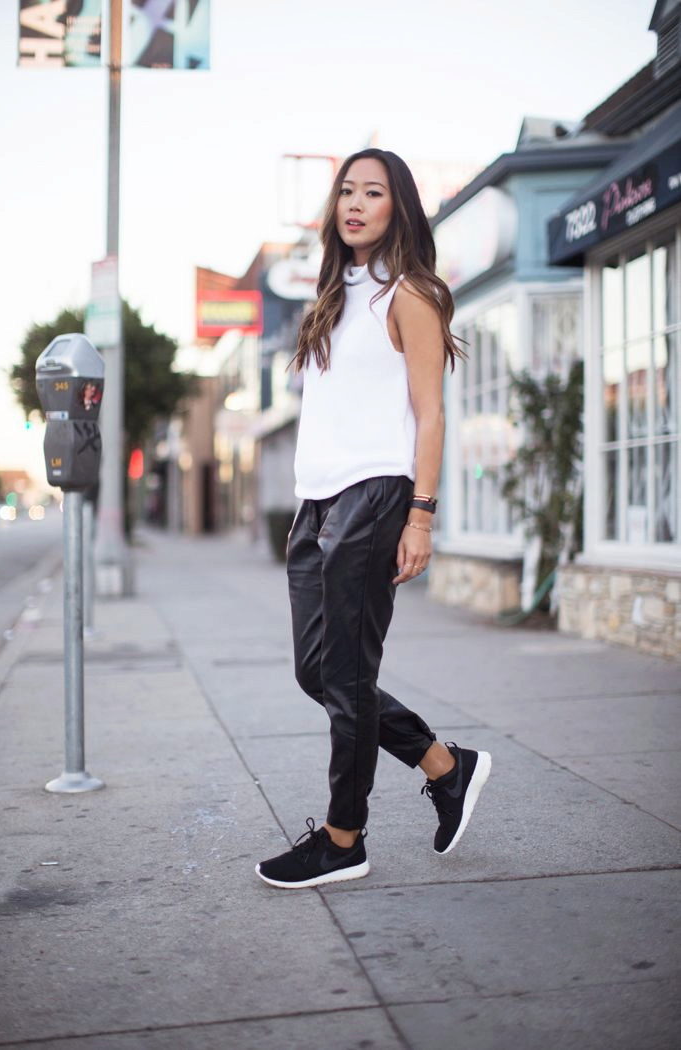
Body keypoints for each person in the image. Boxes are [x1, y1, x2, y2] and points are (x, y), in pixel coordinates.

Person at [256, 148, 491, 889]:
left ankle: (343, 838)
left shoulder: (410, 294)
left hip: (377, 495)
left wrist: (421, 515)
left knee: (349, 676)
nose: (355, 204)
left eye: (373, 192)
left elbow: (430, 414)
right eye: (346, 191)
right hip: (318, 501)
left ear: (400, 207)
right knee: (318, 672)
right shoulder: (334, 295)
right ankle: (444, 766)